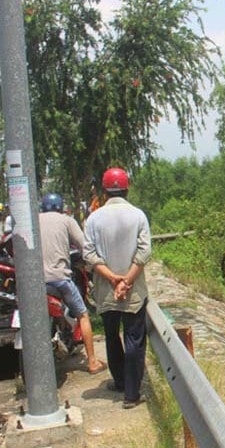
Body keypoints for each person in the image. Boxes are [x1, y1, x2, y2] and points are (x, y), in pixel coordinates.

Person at [83, 168, 151, 409]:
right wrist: (127, 281)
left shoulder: (93, 219)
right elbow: (144, 253)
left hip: (106, 290)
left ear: (104, 190)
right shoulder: (138, 216)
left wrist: (113, 280)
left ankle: (120, 381)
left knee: (112, 336)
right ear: (127, 188)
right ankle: (131, 395)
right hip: (133, 291)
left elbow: (89, 254)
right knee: (134, 338)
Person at [39, 192, 106, 375]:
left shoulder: (32, 220)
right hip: (59, 279)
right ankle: (92, 362)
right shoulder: (67, 220)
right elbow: (84, 246)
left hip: (34, 282)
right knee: (83, 314)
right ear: (61, 207)